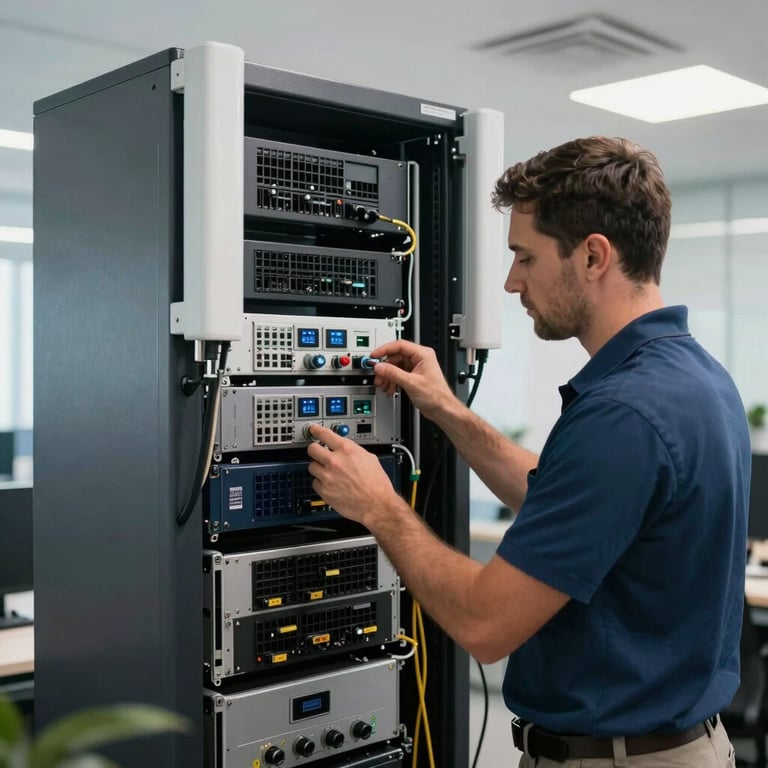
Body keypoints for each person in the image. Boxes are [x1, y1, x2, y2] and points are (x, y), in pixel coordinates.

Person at [306, 136, 750, 767]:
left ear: (594, 256)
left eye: (525, 256)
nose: (513, 282)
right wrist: (449, 411)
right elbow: (563, 499)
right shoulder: (693, 378)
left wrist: (380, 506)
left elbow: (486, 625)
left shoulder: (622, 415)